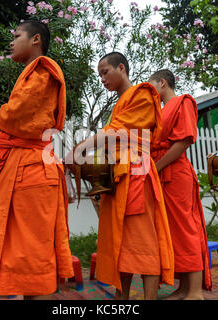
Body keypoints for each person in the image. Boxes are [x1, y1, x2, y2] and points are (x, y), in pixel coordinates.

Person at [0, 20, 74, 300]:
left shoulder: (43, 70)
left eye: (16, 36)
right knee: (24, 255)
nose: (11, 41)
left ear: (35, 40)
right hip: (26, 168)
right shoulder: (32, 73)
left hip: (32, 169)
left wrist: (1, 115)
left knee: (34, 258)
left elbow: (15, 115)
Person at [66, 52, 174, 300]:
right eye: (99, 75)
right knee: (120, 243)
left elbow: (119, 132)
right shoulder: (119, 104)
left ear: (121, 68)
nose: (102, 79)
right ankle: (121, 298)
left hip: (136, 174)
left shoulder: (144, 94)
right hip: (116, 176)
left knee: (145, 242)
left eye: (105, 72)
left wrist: (83, 147)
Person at [149, 70, 212, 300]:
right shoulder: (161, 111)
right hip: (163, 174)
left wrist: (156, 167)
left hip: (175, 173)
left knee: (186, 229)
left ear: (163, 83)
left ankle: (195, 291)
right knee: (173, 232)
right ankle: (184, 288)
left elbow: (183, 141)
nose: (150, 93)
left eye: (152, 87)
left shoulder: (182, 102)